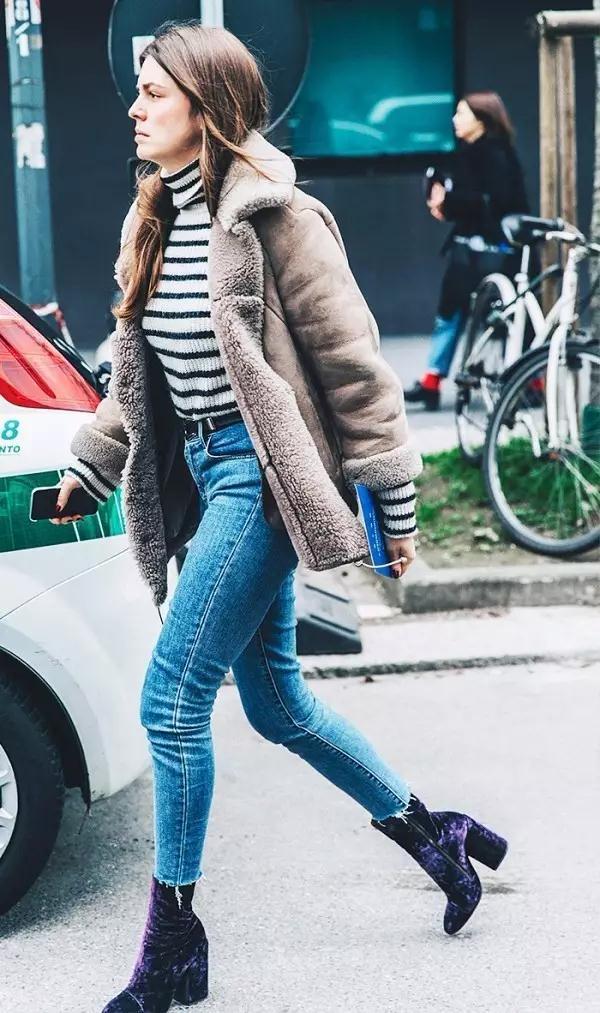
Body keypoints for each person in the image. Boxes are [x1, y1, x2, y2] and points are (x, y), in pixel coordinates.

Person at [53, 24, 508, 1011]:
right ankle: (437, 834)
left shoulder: (278, 216)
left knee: (171, 699)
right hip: (202, 469)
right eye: (138, 91)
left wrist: (392, 501)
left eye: (153, 93)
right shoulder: (156, 215)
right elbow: (136, 372)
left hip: (261, 481)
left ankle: (173, 940)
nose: (135, 107)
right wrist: (92, 464)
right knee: (277, 706)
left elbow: (355, 366)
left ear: (207, 108)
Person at [406, 91, 529, 410]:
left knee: (476, 315)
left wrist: (448, 202)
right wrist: (448, 203)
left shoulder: (492, 154)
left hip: (490, 251)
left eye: (462, 113)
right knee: (457, 313)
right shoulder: (476, 152)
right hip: (476, 250)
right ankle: (432, 381)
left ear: (482, 120)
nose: (454, 120)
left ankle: (528, 381)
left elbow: (492, 202)